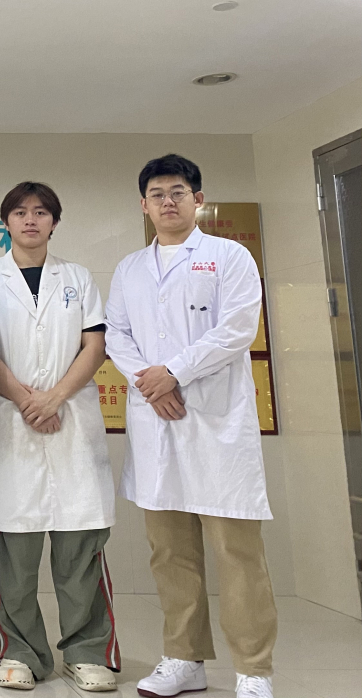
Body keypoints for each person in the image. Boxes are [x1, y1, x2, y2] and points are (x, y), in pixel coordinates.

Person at [105, 154, 276, 698]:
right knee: (170, 552)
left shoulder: (229, 257)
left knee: (237, 554)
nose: (168, 202)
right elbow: (116, 336)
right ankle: (184, 658)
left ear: (198, 199)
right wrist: (151, 384)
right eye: (157, 194)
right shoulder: (130, 268)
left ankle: (254, 669)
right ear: (144, 205)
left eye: (178, 192)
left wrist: (173, 373)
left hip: (215, 423)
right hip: (157, 422)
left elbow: (238, 329)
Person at [0, 182, 119, 693]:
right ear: (6, 222)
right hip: (13, 423)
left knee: (80, 546)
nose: (30, 220)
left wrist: (55, 398)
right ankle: (20, 652)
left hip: (71, 422)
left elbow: (95, 345)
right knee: (16, 554)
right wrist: (26, 400)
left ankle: (86, 652)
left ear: (54, 222)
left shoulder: (77, 277)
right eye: (20, 212)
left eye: (41, 212)